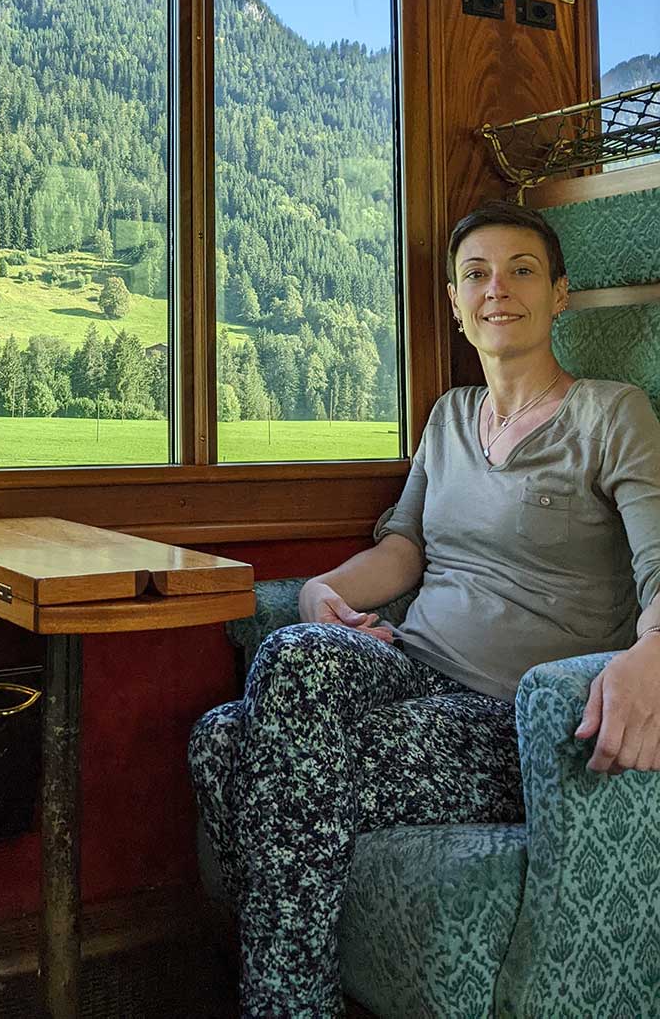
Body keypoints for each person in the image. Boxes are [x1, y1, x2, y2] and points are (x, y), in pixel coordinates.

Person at [189, 200, 660, 1019]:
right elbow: (404, 548)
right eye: (476, 273)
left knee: (231, 746)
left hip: (512, 715)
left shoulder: (612, 414)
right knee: (287, 661)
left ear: (559, 294)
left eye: (521, 270)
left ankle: (285, 1003)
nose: (497, 288)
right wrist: (322, 590)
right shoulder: (448, 416)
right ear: (454, 300)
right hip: (412, 666)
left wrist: (653, 652)